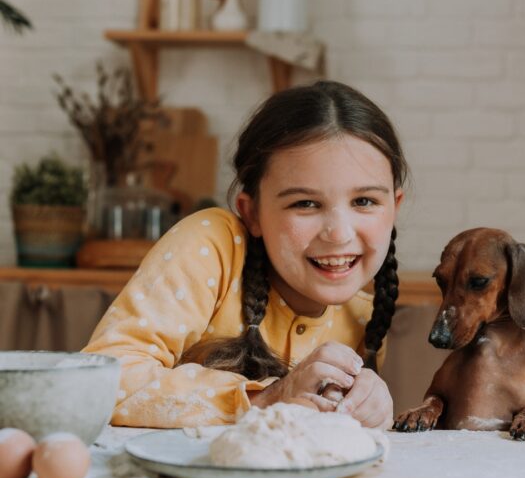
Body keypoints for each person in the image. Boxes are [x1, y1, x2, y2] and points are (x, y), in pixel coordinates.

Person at [82, 80, 408, 430]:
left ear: (394, 207)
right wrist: (265, 398)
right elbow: (98, 381)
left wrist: (367, 411)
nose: (339, 233)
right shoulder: (212, 247)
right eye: (306, 203)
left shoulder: (364, 318)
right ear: (252, 213)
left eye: (364, 202)